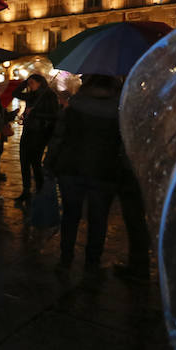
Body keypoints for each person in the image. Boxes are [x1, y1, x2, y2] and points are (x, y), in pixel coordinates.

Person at [45, 75, 123, 274]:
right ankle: (92, 262)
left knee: (70, 215)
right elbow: (124, 146)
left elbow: (58, 138)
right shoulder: (120, 112)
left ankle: (65, 259)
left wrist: (50, 163)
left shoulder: (73, 107)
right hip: (104, 171)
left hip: (71, 168)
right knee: (98, 219)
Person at [12, 73, 59, 202]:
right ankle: (26, 190)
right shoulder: (31, 95)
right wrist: (25, 82)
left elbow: (54, 115)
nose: (30, 85)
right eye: (29, 83)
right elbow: (15, 93)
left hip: (40, 133)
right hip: (28, 131)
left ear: (40, 83)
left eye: (32, 83)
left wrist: (35, 112)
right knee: (24, 161)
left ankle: (40, 190)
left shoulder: (49, 95)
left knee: (35, 161)